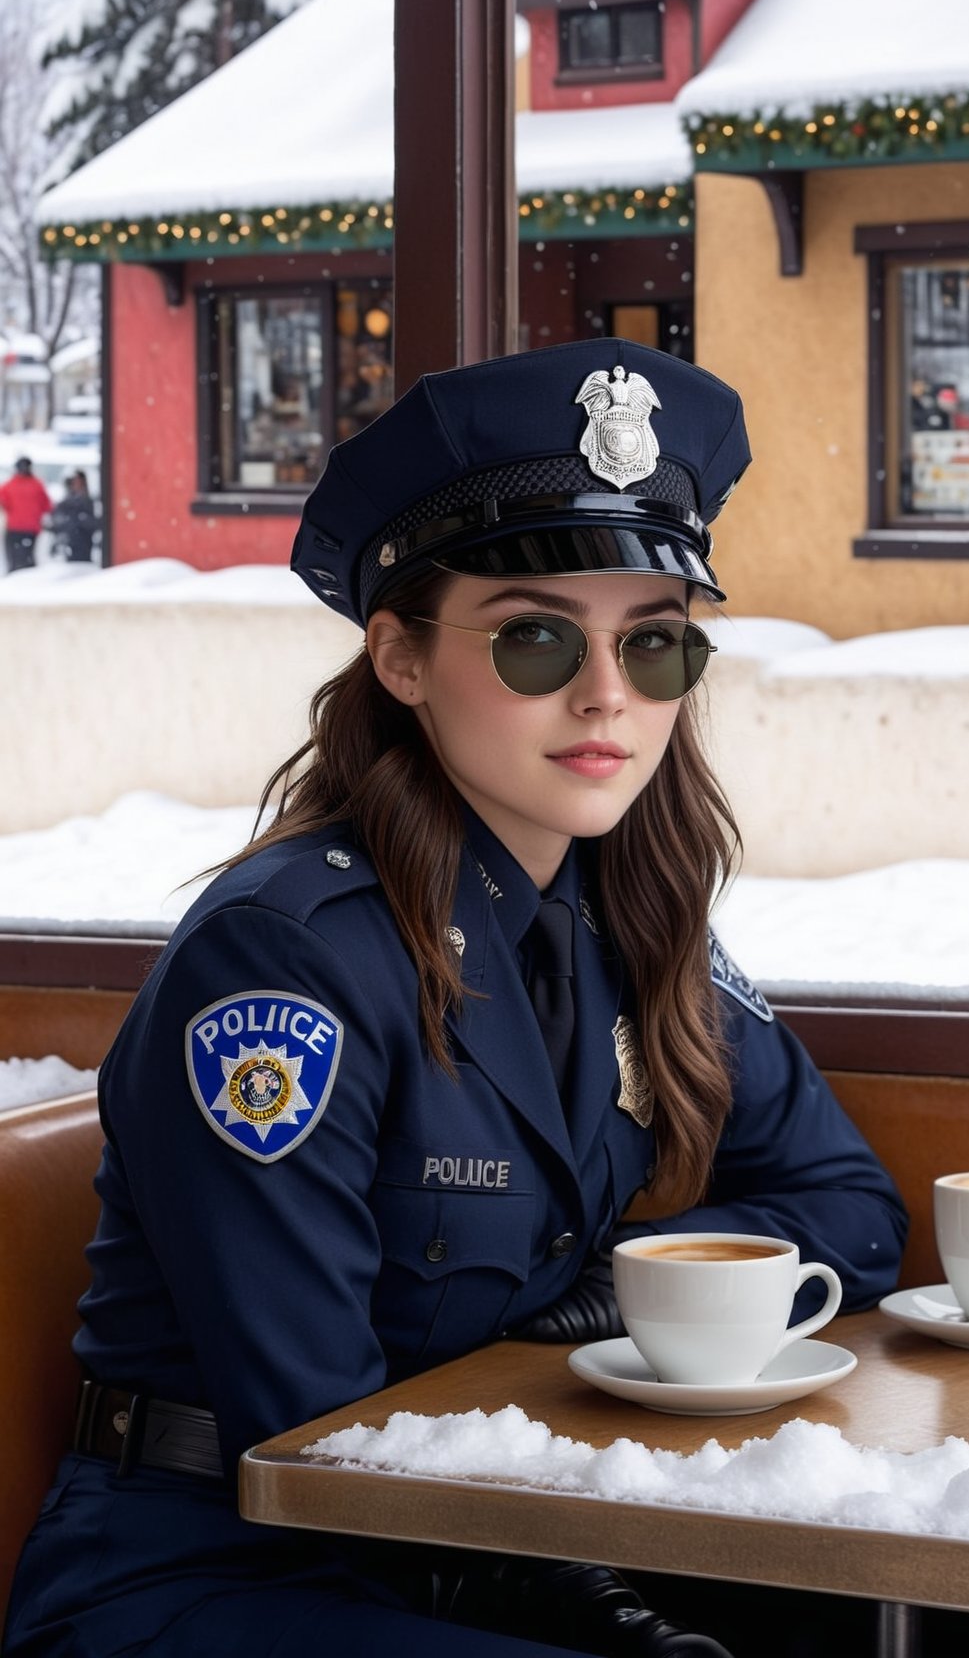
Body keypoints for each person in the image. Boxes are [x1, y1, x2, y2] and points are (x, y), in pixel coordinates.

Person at [3, 340, 908, 1658]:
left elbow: (853, 1215)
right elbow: (318, 1443)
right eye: (537, 637)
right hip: (214, 1577)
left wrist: (616, 1297)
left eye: (656, 645)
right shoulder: (280, 970)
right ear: (402, 659)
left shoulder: (632, 922)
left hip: (497, 1531)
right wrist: (578, 1587)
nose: (609, 694)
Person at [0, 456, 51, 573]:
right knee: (28, 559)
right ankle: (28, 582)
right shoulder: (38, 485)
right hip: (32, 529)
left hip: (14, 528)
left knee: (14, 560)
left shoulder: (9, 486)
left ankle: (15, 581)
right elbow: (47, 506)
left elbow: (3, 503)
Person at [46, 469, 98, 563]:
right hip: (69, 542)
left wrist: (81, 520)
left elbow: (94, 523)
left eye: (79, 482)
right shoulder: (66, 503)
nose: (76, 485)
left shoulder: (88, 502)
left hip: (84, 542)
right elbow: (56, 519)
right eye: (74, 482)